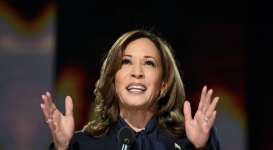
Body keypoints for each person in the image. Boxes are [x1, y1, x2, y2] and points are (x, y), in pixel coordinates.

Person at [41, 30, 220, 150]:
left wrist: (202, 147)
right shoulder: (81, 145)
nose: (137, 72)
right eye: (126, 61)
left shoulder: (190, 142)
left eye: (149, 63)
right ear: (113, 79)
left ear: (164, 83)